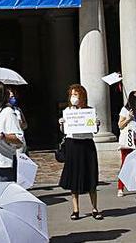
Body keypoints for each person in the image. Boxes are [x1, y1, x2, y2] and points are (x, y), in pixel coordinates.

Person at [59, 84, 103, 220]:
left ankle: (94, 208)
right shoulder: (67, 111)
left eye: (76, 95)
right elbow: (64, 131)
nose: (74, 98)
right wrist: (61, 123)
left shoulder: (89, 111)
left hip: (86, 145)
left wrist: (96, 124)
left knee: (90, 176)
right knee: (74, 176)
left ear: (82, 96)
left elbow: (94, 130)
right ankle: (75, 209)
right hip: (72, 145)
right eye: (72, 95)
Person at [116, 90, 136, 197]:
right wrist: (128, 118)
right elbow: (120, 125)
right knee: (125, 163)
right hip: (129, 139)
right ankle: (120, 187)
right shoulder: (125, 110)